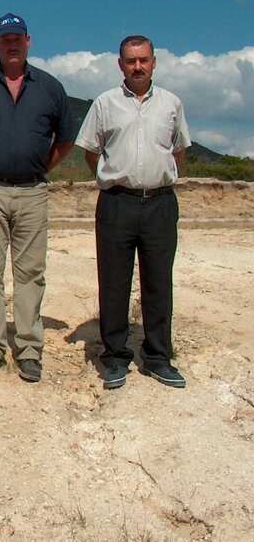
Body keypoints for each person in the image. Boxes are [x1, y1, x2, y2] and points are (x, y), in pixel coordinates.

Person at [0, 13, 76, 383]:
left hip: (32, 190)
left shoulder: (50, 87)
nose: (11, 44)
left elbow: (67, 138)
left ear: (29, 41)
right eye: (4, 39)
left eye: (17, 38)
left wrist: (42, 168)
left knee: (30, 273)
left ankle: (28, 348)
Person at [75, 35, 190, 389]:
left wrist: (158, 177)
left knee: (158, 281)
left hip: (159, 203)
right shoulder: (105, 104)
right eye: (130, 60)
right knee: (114, 282)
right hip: (117, 202)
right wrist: (115, 178)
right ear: (120, 64)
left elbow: (179, 150)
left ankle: (157, 356)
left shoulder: (171, 103)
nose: (137, 66)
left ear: (154, 62)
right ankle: (114, 357)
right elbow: (92, 151)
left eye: (143, 60)